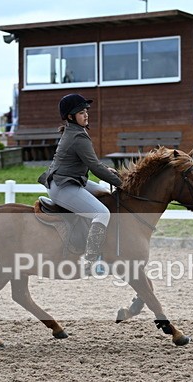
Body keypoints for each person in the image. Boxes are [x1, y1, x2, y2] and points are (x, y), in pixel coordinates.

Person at [38, 94, 123, 274]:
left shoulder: (76, 131)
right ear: (70, 116)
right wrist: (121, 183)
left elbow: (93, 163)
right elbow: (95, 167)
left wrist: (108, 171)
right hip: (64, 187)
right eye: (81, 112)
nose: (86, 115)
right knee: (101, 213)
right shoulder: (77, 136)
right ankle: (92, 260)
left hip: (74, 181)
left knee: (105, 195)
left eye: (86, 111)